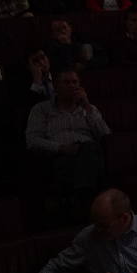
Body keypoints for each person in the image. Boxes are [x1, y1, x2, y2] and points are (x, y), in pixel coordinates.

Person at [25, 70, 110, 205]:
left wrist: (87, 106)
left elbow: (106, 136)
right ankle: (86, 198)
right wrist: (62, 148)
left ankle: (81, 197)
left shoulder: (89, 109)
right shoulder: (41, 109)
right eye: (67, 82)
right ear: (56, 87)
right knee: (82, 163)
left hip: (88, 151)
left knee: (90, 150)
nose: (72, 86)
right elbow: (32, 140)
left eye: (75, 82)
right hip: (58, 155)